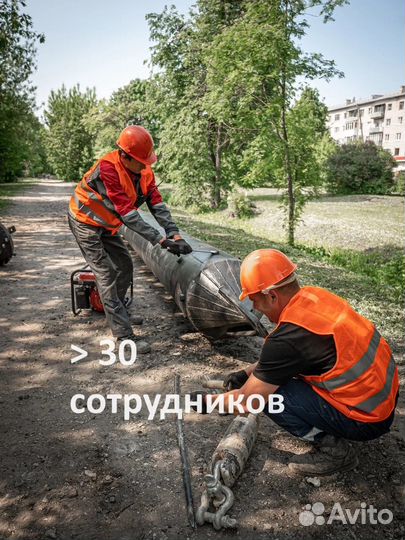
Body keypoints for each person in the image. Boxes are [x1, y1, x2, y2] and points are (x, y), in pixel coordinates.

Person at [192, 249, 399, 475]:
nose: (255, 309)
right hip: (381, 400)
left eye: (255, 300)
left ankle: (335, 451)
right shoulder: (315, 298)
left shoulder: (289, 340)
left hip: (366, 419)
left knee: (270, 399)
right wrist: (245, 373)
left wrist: (206, 403)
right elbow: (287, 359)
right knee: (278, 380)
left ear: (271, 295)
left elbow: (246, 401)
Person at [68, 125, 192, 353]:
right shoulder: (108, 169)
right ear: (125, 156)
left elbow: (157, 203)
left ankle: (117, 313)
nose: (146, 165)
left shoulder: (144, 171)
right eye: (141, 161)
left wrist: (173, 232)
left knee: (124, 266)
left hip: (107, 224)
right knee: (106, 274)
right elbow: (128, 215)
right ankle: (123, 335)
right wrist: (160, 240)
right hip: (85, 220)